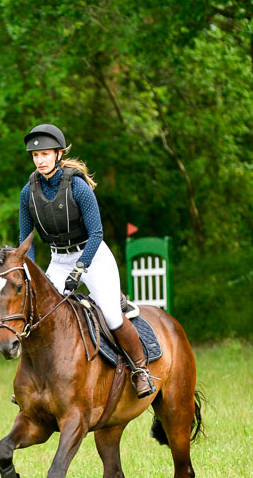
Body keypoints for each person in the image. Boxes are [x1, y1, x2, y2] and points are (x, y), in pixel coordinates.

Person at [19, 123, 156, 398]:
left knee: (110, 313)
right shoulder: (28, 193)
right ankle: (34, 380)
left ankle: (141, 370)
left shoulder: (78, 187)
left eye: (45, 154)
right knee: (37, 316)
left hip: (91, 255)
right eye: (35, 156)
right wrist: (29, 274)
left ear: (58, 154)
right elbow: (26, 241)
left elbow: (97, 233)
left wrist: (79, 271)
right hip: (58, 260)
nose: (40, 160)